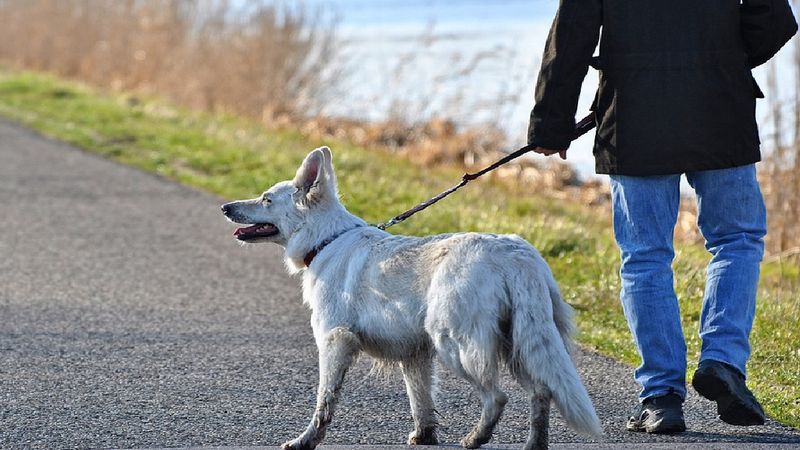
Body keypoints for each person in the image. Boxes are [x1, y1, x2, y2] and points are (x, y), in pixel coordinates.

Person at [527, 0, 797, 434]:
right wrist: (721, 58)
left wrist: (550, 123)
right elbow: (776, 19)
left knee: (645, 257)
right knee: (737, 240)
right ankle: (723, 361)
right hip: (719, 107)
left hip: (634, 118)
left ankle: (661, 398)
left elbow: (570, 38)